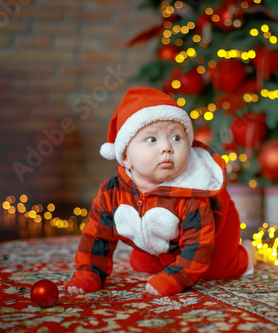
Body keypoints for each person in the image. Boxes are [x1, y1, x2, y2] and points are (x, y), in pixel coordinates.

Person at [65, 87, 255, 296]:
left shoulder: (192, 192)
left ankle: (246, 254)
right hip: (164, 241)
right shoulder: (111, 193)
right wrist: (88, 273)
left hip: (213, 232)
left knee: (215, 270)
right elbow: (96, 237)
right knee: (144, 265)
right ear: (125, 157)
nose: (166, 147)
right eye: (152, 139)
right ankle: (158, 256)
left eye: (176, 138)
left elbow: (199, 246)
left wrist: (175, 278)